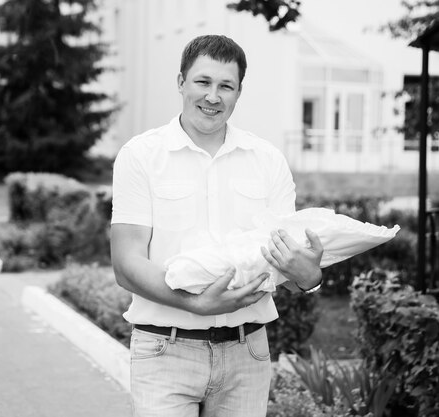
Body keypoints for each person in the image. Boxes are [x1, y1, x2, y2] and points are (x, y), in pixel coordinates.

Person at [110, 34, 324, 417]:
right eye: (203, 82)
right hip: (164, 352)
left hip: (248, 353)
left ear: (239, 92)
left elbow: (283, 268)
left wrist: (309, 277)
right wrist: (196, 304)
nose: (213, 96)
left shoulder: (268, 160)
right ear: (180, 82)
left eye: (226, 86)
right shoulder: (141, 156)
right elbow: (127, 265)